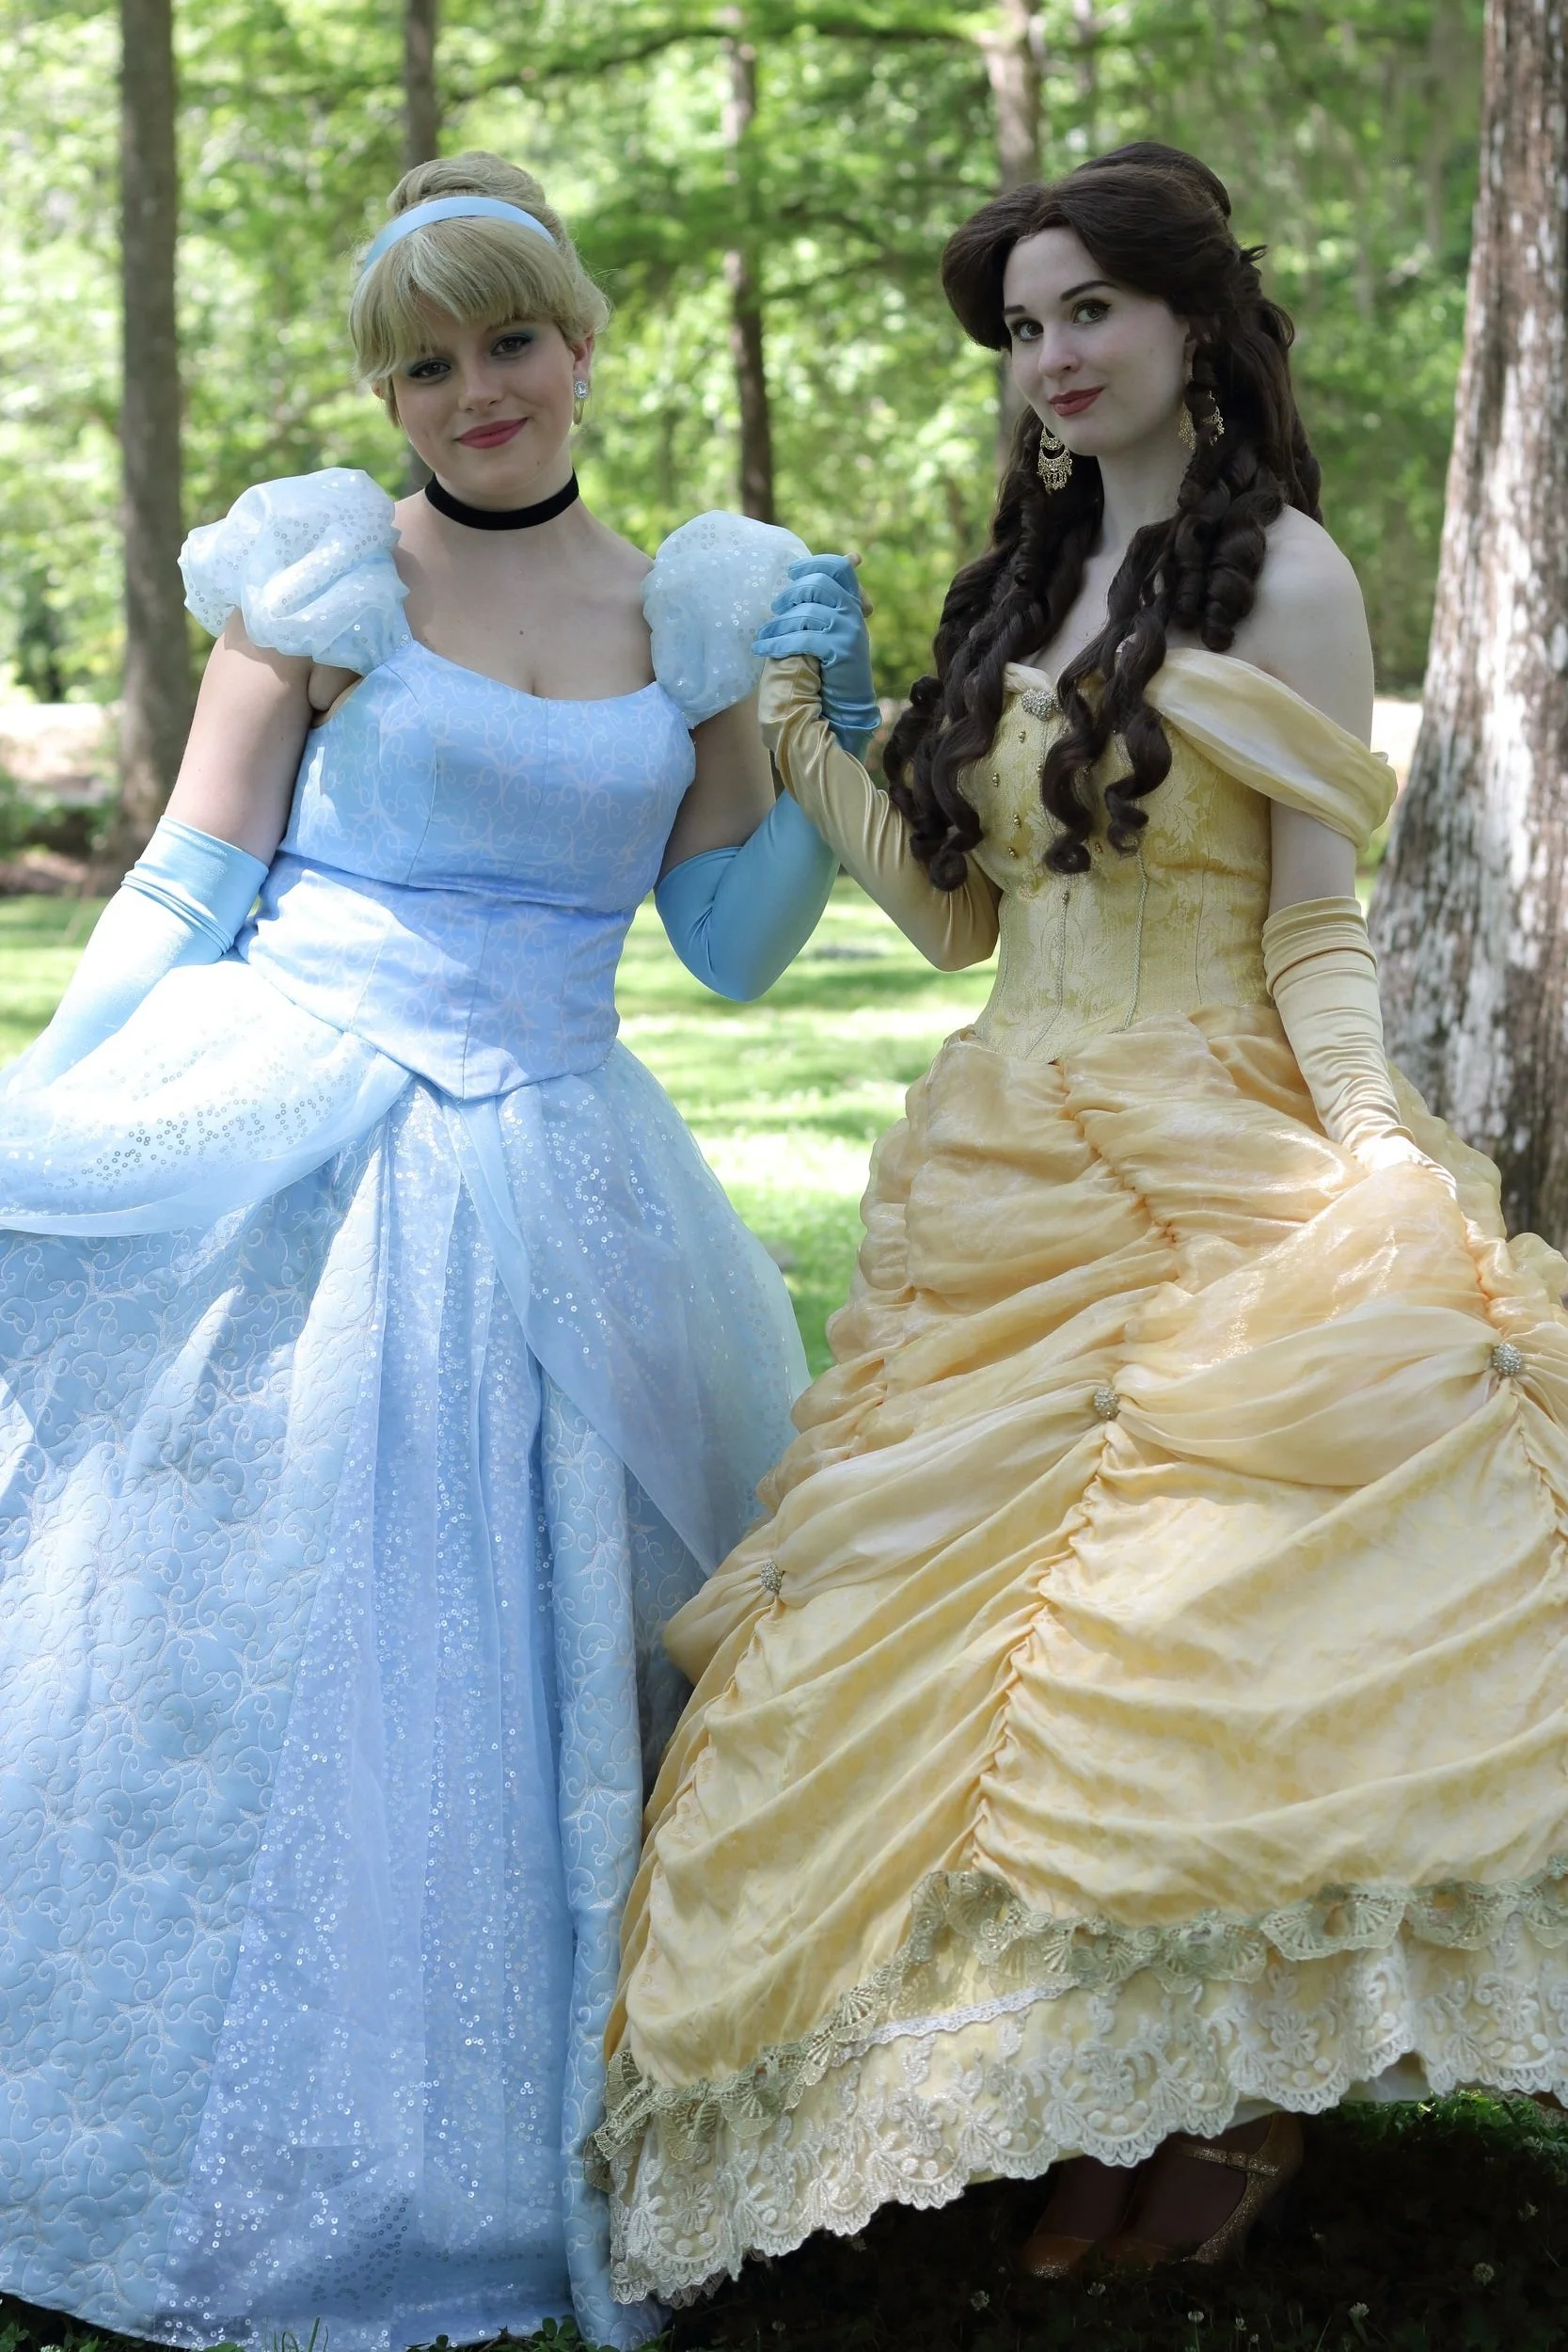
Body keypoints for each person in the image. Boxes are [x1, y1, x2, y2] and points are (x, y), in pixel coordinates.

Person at [594, 143, 1568, 2303]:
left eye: (1081, 314)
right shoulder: (1015, 584)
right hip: (1003, 1146)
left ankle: (1231, 2093)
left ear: (1190, 323)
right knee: (939, 1626)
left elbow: (1316, 924)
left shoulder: (1282, 575)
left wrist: (1373, 1144)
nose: (1046, 358)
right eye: (1021, 328)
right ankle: (1053, 2072)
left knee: (1187, 1617)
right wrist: (808, 736)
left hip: (1205, 1120)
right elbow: (955, 916)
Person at [0, 151, 844, 2352]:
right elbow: (193, 875)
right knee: (263, 1634)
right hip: (318, 1110)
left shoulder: (681, 612)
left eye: (509, 340)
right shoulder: (317, 575)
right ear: (387, 387)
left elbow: (731, 948)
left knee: (534, 1647)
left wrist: (802, 731)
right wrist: (57, 1116)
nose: (476, 389)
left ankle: (498, 2131)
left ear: (579, 345)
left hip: (566, 1156)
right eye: (427, 360)